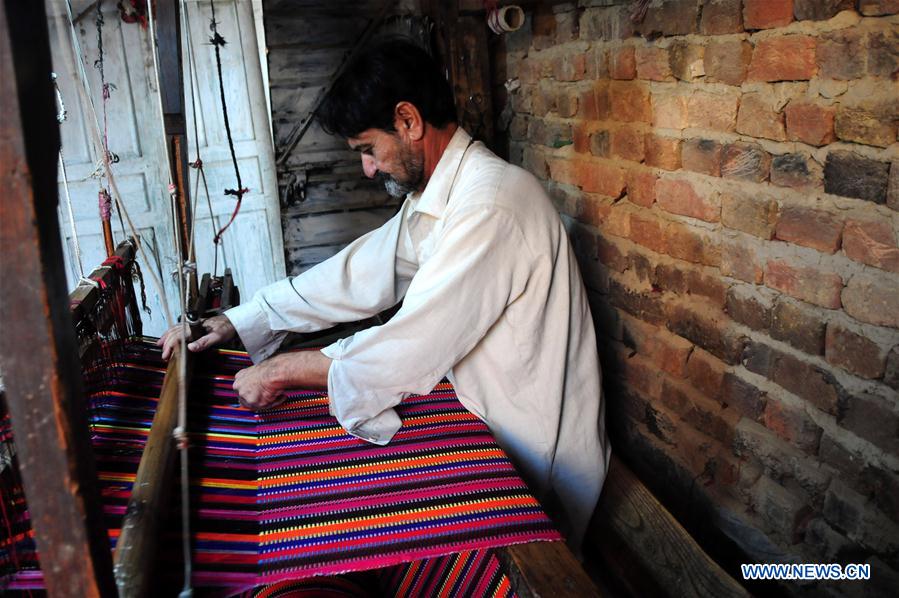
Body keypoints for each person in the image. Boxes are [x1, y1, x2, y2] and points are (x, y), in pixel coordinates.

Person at [158, 38, 609, 551]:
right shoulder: (446, 196)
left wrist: (282, 370)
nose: (368, 169)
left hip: (536, 466)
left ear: (409, 120)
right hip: (490, 428)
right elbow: (360, 272)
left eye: (369, 150)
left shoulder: (490, 206)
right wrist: (243, 320)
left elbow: (411, 345)